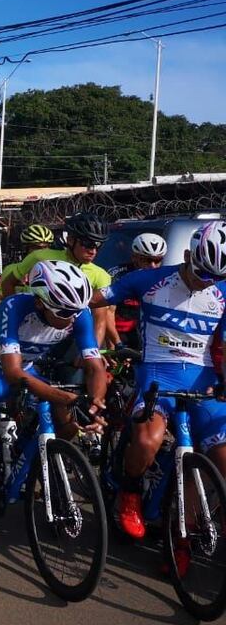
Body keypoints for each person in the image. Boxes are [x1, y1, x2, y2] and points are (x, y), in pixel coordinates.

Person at [0, 259, 107, 582]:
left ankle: (48, 471)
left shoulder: (78, 312)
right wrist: (62, 397)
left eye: (74, 313)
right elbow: (13, 373)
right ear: (40, 300)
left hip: (30, 370)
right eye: (62, 313)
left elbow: (95, 367)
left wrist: (96, 402)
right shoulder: (15, 305)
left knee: (66, 423)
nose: (70, 320)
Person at [91, 222, 226, 548]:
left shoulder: (222, 292)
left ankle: (182, 536)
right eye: (200, 272)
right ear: (185, 255)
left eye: (213, 277)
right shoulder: (149, 279)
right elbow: (90, 301)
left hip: (203, 380)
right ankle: (130, 491)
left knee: (221, 462)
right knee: (148, 440)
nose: (203, 282)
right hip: (156, 375)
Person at [0, 212, 113, 344]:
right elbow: (8, 283)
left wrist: (94, 349)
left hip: (64, 338)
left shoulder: (101, 275)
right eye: (88, 243)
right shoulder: (39, 257)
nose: (93, 251)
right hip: (29, 329)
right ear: (70, 240)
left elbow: (100, 319)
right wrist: (14, 319)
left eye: (98, 245)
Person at [105, 232, 166, 351]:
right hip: (116, 336)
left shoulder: (165, 278)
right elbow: (107, 314)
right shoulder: (118, 275)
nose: (153, 266)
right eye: (147, 260)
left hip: (145, 338)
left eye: (158, 260)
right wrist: (116, 345)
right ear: (134, 257)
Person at [0, 223, 54, 300]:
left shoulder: (54, 271)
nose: (40, 252)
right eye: (35, 247)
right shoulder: (10, 270)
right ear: (25, 249)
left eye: (45, 247)